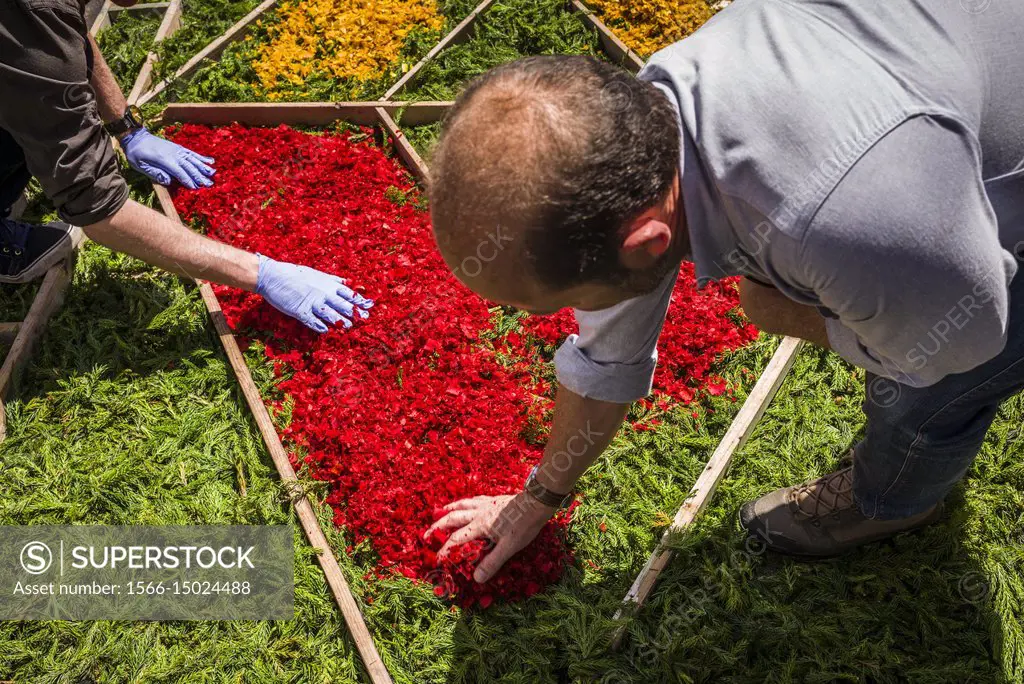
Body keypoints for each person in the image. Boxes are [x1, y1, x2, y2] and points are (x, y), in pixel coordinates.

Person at [423, 0, 1024, 582]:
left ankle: (892, 500)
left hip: (942, 236)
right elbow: (607, 355)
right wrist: (540, 495)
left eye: (557, 303)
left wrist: (789, 313)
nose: (573, 316)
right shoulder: (639, 130)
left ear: (645, 244)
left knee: (928, 396)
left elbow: (962, 344)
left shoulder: (853, 227)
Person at [0, 0, 371, 331]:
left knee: (27, 120)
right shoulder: (33, 14)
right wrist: (264, 274)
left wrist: (127, 129)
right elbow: (97, 211)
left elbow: (66, 35)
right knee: (29, 126)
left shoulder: (43, 18)